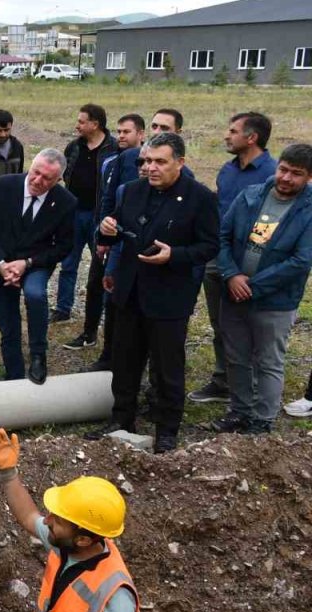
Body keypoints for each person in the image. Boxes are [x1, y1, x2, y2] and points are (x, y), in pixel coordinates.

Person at [92, 133, 219, 453]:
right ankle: (121, 419)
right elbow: (115, 230)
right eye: (146, 161)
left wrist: (174, 255)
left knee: (167, 368)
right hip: (130, 292)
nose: (150, 168)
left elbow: (210, 245)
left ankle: (167, 429)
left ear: (180, 162)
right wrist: (105, 230)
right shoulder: (132, 191)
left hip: (169, 295)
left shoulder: (199, 197)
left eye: (159, 161)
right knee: (125, 361)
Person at [0, 429, 138, 612]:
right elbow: (29, 516)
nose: (46, 521)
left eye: (56, 521)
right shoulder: (65, 545)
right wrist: (8, 472)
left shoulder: (114, 596)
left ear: (83, 539)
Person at [212, 144, 312, 435]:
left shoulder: (308, 211)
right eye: (283, 169)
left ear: (308, 177)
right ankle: (240, 412)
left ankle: (262, 420)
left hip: (275, 301)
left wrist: (252, 285)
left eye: (296, 174)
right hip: (233, 293)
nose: (286, 178)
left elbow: (301, 261)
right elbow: (223, 236)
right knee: (236, 356)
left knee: (268, 361)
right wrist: (231, 275)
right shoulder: (252, 195)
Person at [189, 112, 277, 406]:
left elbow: (270, 223)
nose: (227, 136)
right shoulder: (227, 171)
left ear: (252, 138)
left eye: (233, 131)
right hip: (218, 256)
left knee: (248, 326)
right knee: (221, 323)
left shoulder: (272, 174)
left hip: (249, 263)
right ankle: (222, 380)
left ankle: (250, 389)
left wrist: (244, 266)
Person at [0, 150, 77, 384]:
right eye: (35, 173)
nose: (38, 181)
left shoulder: (65, 202)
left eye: (47, 179)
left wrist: (27, 263)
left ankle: (38, 354)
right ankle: (15, 374)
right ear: (30, 166)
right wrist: (1, 264)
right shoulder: (0, 186)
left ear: (59, 180)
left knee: (35, 294)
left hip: (34, 262)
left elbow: (63, 246)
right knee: (8, 323)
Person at [66, 113, 146, 353]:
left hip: (132, 240)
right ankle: (90, 332)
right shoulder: (111, 161)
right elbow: (107, 198)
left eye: (127, 132)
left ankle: (122, 345)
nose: (121, 136)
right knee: (95, 282)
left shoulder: (144, 163)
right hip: (105, 231)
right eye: (119, 131)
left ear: (141, 135)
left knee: (120, 292)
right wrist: (102, 232)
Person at [54, 104, 119, 324]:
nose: (77, 125)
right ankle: (63, 308)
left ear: (95, 124)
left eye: (82, 122)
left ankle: (99, 310)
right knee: (68, 263)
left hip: (99, 216)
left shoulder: (114, 148)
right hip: (73, 213)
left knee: (101, 263)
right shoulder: (73, 147)